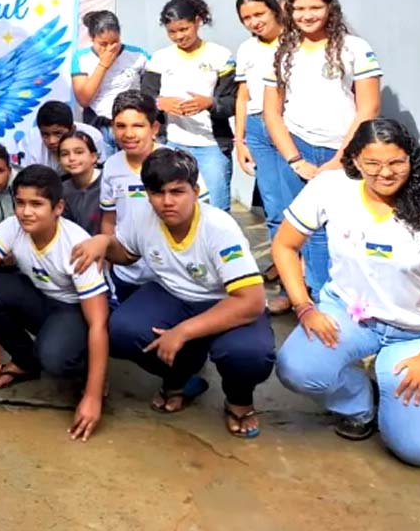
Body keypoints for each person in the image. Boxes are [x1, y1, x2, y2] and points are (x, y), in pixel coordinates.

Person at [274, 119, 420, 466]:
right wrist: (304, 307)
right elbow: (285, 246)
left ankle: (398, 405)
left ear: (412, 158)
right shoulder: (330, 188)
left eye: (396, 162)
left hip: (416, 332)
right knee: (297, 368)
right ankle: (359, 404)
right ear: (354, 161)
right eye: (372, 163)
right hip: (350, 315)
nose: (385, 173)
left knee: (418, 451)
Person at [74, 147, 275, 439]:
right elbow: (127, 253)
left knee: (248, 354)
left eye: (177, 191)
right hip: (173, 294)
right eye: (157, 193)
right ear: (147, 194)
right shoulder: (143, 214)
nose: (167, 202)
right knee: (122, 330)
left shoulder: (219, 227)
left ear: (195, 191)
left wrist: (182, 331)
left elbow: (252, 301)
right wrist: (104, 242)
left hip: (226, 301)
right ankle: (181, 376)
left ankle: (239, 399)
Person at [0, 166, 109, 441]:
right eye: (20, 203)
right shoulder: (12, 226)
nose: (26, 212)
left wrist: (93, 396)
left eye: (37, 204)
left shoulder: (77, 245)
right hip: (41, 299)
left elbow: (99, 323)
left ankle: (90, 373)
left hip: (74, 310)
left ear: (58, 208)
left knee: (54, 358)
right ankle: (25, 362)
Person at [263, 0, 382, 306]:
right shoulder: (283, 53)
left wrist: (340, 159)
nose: (307, 15)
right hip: (296, 150)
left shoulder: (355, 48)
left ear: (330, 6)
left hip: (346, 152)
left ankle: (352, 303)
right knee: (306, 231)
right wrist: (294, 160)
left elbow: (369, 107)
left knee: (347, 229)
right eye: (299, 9)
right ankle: (317, 301)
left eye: (315, 7)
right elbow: (272, 112)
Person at [99, 90, 209, 301]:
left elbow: (201, 217)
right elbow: (109, 219)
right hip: (127, 273)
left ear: (154, 128)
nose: (128, 134)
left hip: (169, 276)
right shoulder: (112, 166)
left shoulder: (177, 164)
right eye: (120, 126)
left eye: (138, 126)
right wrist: (108, 262)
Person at [141, 0, 236, 211]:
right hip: (171, 144)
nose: (179, 36)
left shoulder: (220, 56)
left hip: (211, 146)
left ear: (198, 21)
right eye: (172, 32)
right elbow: (145, 99)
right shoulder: (160, 59)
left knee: (216, 208)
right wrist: (160, 103)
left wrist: (210, 103)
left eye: (184, 29)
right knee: (173, 206)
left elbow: (232, 102)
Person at [231, 0, 289, 314]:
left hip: (290, 127)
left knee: (302, 209)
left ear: (274, 9)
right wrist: (240, 141)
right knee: (275, 209)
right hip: (256, 130)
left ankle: (313, 286)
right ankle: (289, 285)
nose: (254, 22)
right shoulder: (246, 49)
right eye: (246, 18)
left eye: (259, 14)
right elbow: (242, 97)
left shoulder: (294, 42)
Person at [71, 10, 148, 150]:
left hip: (130, 126)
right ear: (92, 38)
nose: (110, 48)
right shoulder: (82, 58)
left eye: (114, 42)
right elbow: (84, 99)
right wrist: (103, 65)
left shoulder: (138, 55)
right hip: (99, 125)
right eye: (103, 44)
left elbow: (153, 87)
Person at [19, 101, 108, 168]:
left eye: (58, 134)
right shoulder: (31, 140)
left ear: (72, 129)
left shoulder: (93, 137)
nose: (51, 141)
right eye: (45, 135)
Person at [58, 130, 102, 235]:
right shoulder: (61, 190)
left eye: (79, 152)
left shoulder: (109, 183)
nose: (72, 158)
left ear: (93, 157)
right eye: (65, 154)